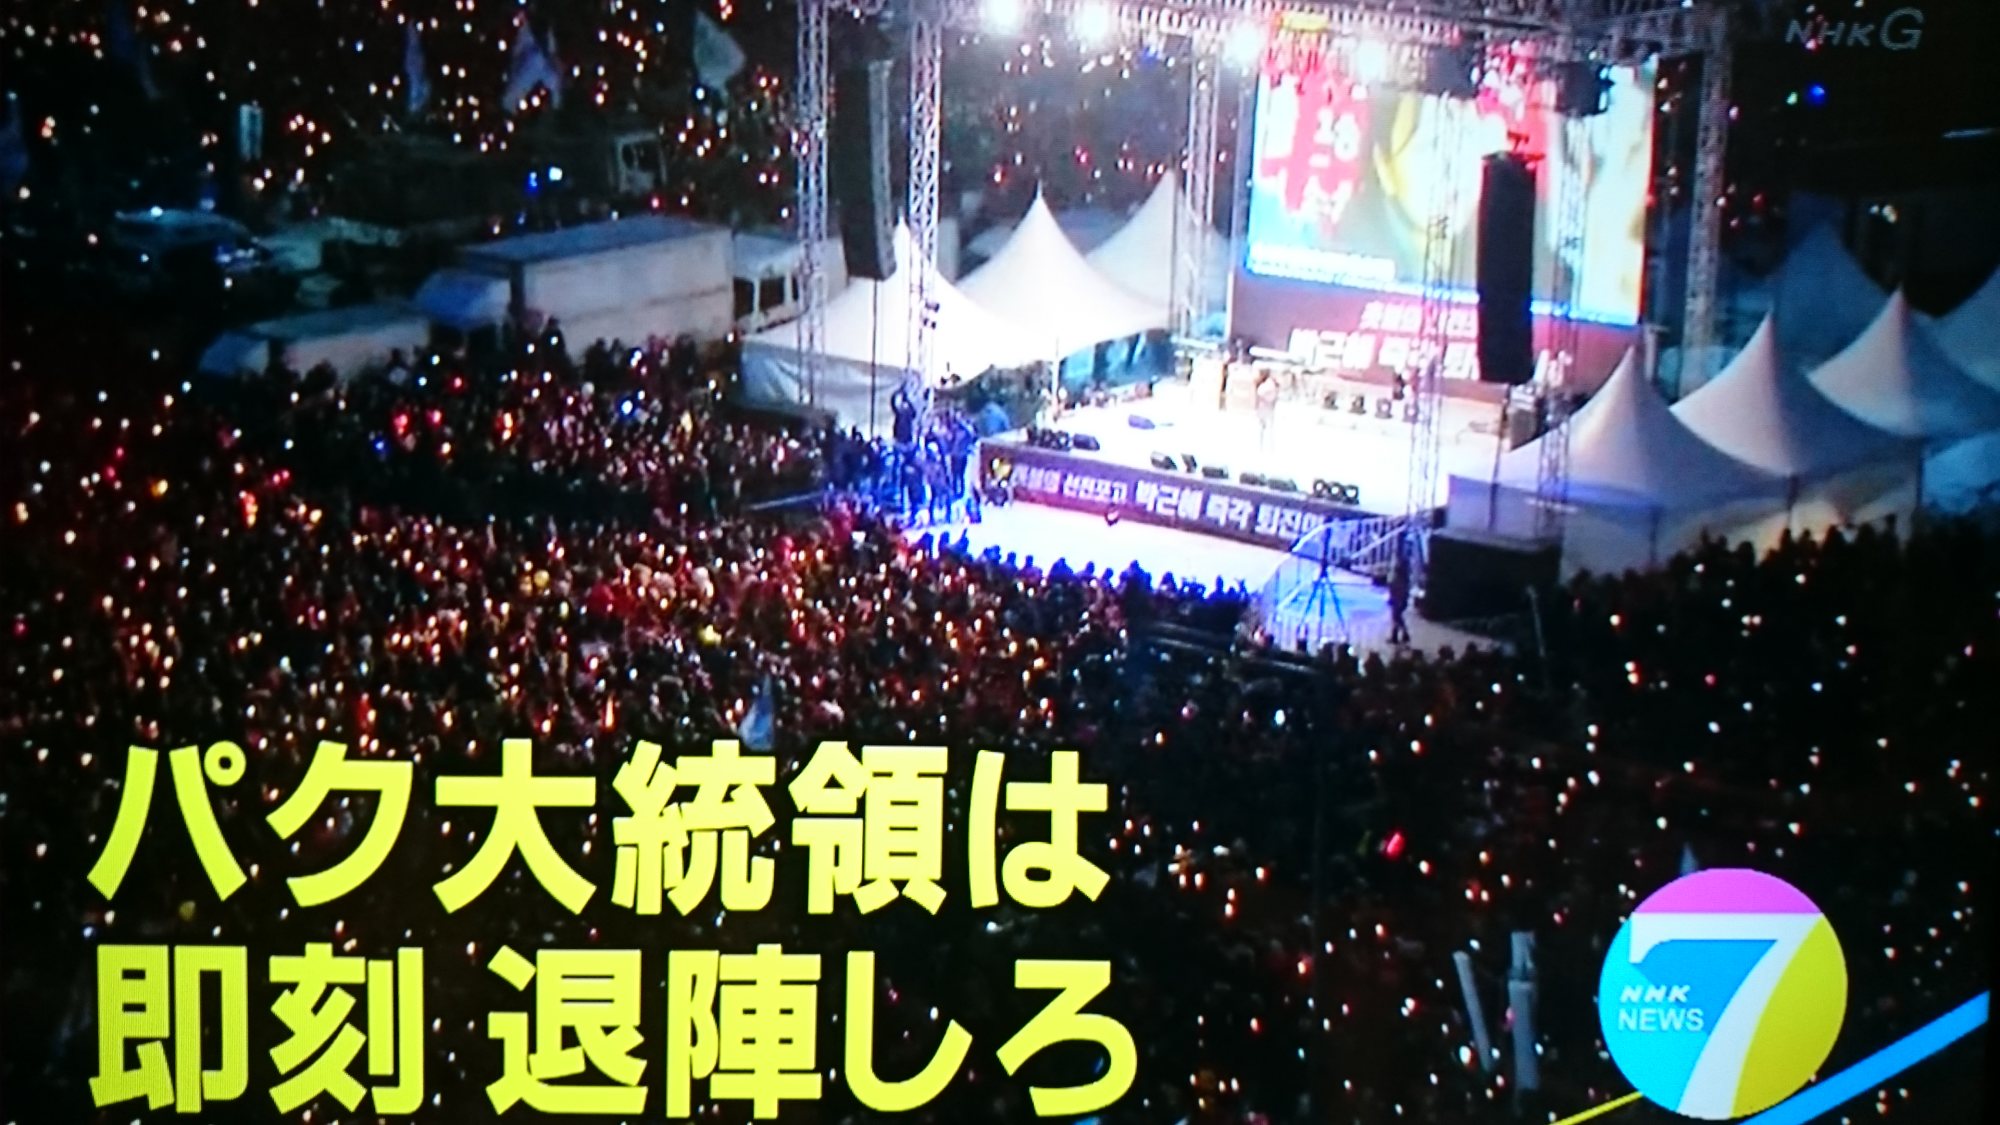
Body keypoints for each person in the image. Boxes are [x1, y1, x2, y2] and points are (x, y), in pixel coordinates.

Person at [1387, 548, 1412, 646]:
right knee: (1396, 617)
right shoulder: (1403, 577)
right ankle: (1395, 636)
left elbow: (1396, 588)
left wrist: (1393, 596)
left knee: (1396, 618)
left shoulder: (1399, 577)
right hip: (1399, 599)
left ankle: (1403, 635)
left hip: (1397, 599)